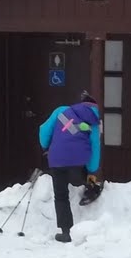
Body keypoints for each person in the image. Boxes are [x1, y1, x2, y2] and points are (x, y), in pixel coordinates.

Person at [38, 90, 102, 243]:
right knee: (79, 179)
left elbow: (43, 130)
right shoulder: (94, 122)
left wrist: (46, 146)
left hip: (57, 159)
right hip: (78, 162)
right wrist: (93, 171)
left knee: (61, 196)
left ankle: (66, 232)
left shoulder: (61, 111)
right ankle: (89, 187)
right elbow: (95, 147)